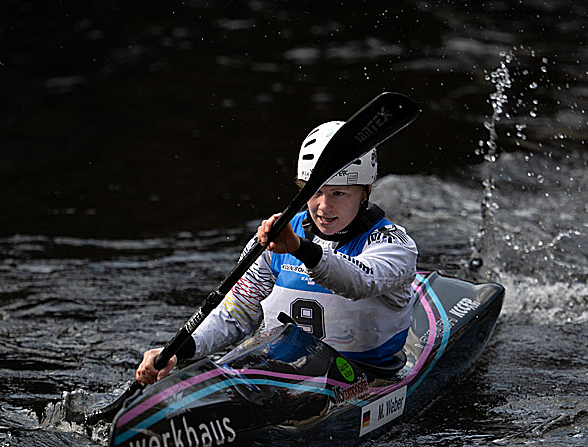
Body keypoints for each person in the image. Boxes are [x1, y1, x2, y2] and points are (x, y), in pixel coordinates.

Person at [135, 120, 419, 386]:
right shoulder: (280, 235)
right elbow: (237, 312)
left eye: (338, 194)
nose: (323, 207)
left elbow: (358, 281)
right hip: (281, 376)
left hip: (363, 378)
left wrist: (299, 248)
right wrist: (180, 351)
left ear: (365, 191)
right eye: (315, 191)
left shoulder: (392, 244)